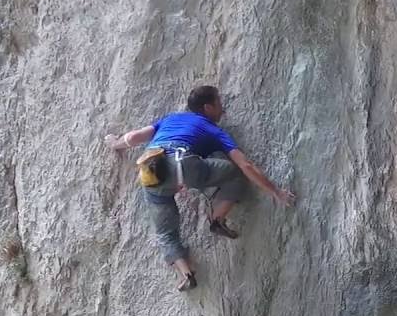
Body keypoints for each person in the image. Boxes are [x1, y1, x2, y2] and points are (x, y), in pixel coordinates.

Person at [105, 85, 295, 290]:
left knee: (165, 232)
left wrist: (115, 142)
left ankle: (186, 273)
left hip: (150, 173)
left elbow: (133, 138)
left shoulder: (170, 119)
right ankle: (217, 218)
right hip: (184, 166)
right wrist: (275, 192)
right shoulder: (213, 130)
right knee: (235, 172)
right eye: (219, 104)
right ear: (207, 108)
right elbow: (245, 165)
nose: (223, 109)